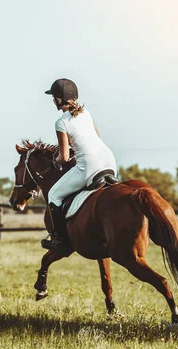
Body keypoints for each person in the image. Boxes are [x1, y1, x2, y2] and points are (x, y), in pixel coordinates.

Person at [42, 78, 117, 252]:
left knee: (54, 194)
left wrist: (56, 161)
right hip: (109, 160)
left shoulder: (61, 122)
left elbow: (65, 156)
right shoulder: (86, 113)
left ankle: (60, 240)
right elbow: (96, 136)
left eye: (54, 97)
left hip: (89, 165)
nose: (53, 100)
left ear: (60, 99)